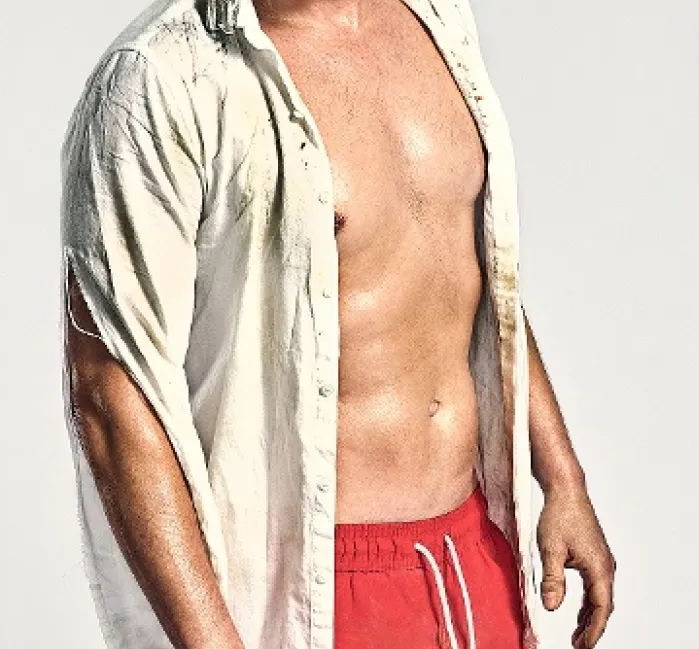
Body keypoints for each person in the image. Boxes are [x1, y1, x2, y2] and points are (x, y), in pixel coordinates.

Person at [59, 0, 615, 647]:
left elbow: (474, 272)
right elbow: (110, 394)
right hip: (317, 591)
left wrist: (562, 476)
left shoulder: (434, 19)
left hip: (472, 554)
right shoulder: (160, 77)